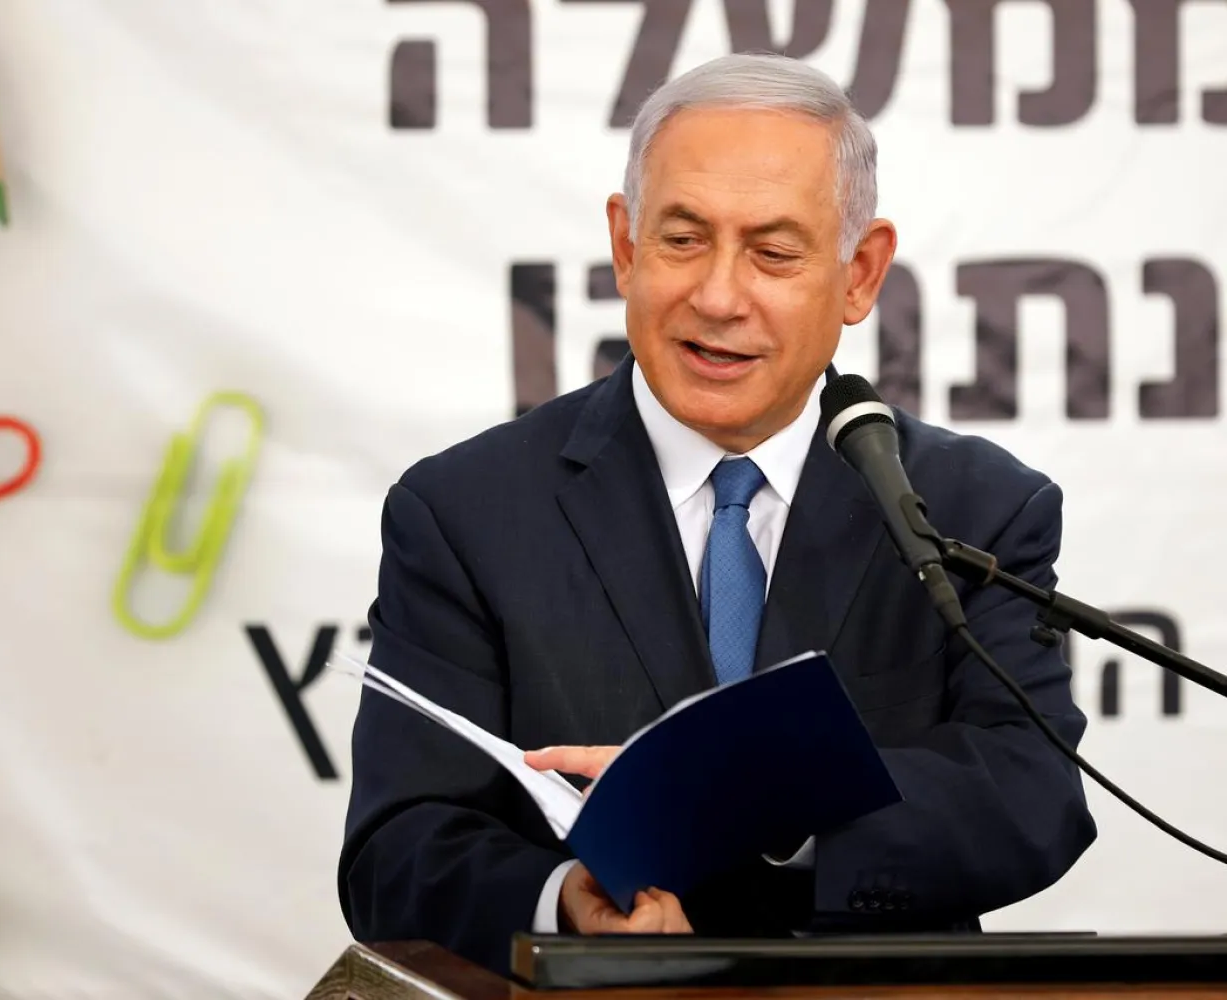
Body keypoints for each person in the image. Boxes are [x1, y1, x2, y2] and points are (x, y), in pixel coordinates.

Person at [337, 52, 1098, 979]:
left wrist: (763, 806)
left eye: (773, 253)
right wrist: (565, 903)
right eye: (682, 240)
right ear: (625, 245)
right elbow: (399, 849)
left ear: (860, 274)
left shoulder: (974, 506)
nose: (720, 296)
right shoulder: (465, 512)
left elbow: (1030, 796)